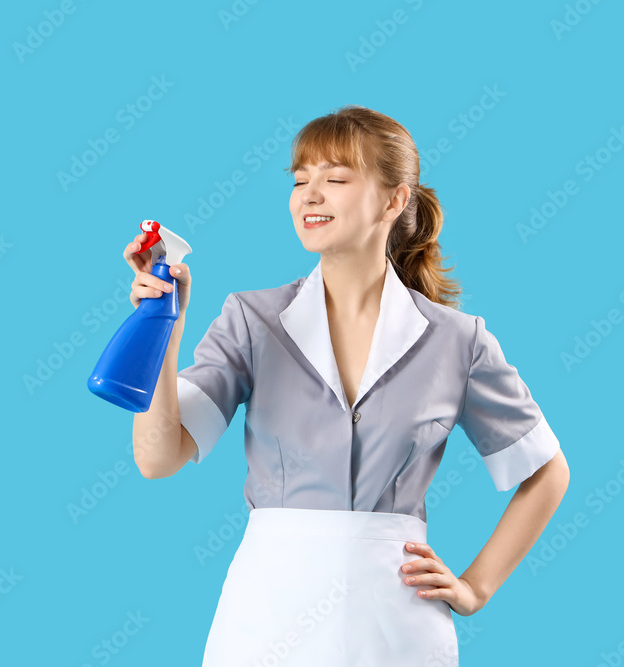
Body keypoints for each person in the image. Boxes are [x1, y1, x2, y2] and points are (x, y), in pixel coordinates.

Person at [124, 105, 570, 666]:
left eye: (335, 179)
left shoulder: (458, 341)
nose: (310, 194)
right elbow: (157, 457)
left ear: (395, 200)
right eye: (299, 180)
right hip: (267, 621)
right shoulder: (250, 321)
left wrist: (475, 588)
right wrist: (165, 326)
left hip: (397, 625)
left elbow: (548, 471)